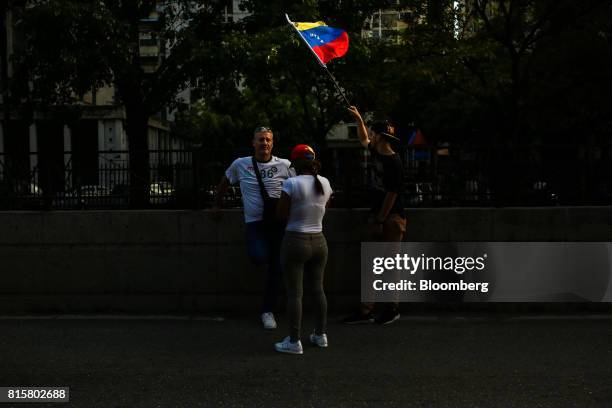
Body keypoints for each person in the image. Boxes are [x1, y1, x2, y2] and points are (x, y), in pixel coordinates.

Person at [213, 126, 293, 330]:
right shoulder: (241, 164)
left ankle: (268, 310)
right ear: (253, 142)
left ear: (272, 143)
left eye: (267, 139)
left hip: (279, 222)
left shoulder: (285, 165)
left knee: (276, 268)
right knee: (258, 256)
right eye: (260, 140)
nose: (264, 143)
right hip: (256, 223)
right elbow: (224, 182)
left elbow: (297, 188)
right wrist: (217, 204)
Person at [344, 106, 407, 325]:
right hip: (378, 216)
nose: (370, 135)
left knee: (390, 265)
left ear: (379, 137)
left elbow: (392, 193)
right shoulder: (376, 151)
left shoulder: (393, 161)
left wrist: (380, 219)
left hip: (391, 218)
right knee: (370, 263)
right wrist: (360, 119)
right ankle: (366, 310)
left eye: (373, 133)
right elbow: (363, 139)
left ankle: (392, 308)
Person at [274, 144, 333, 355]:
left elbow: (281, 214)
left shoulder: (291, 183)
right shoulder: (325, 183)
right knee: (318, 289)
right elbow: (325, 208)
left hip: (294, 241)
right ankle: (320, 335)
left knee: (295, 294)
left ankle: (294, 340)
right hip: (319, 241)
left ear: (295, 164)